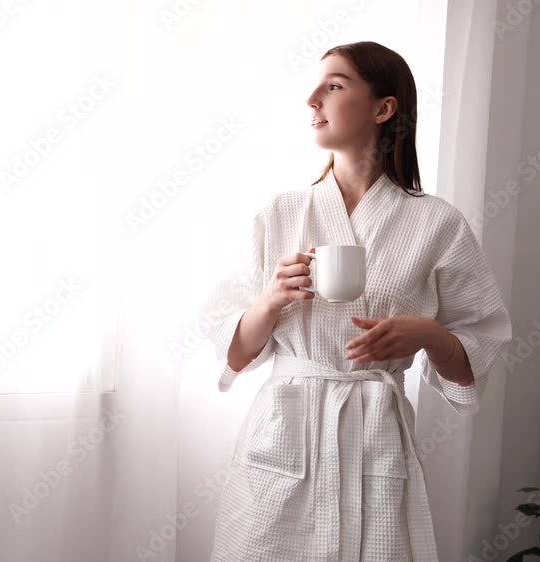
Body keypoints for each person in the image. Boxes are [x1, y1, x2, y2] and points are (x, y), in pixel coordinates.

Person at [203, 41, 513, 561]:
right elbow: (233, 355)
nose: (312, 99)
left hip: (376, 433)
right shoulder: (280, 213)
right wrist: (271, 300)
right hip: (283, 436)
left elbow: (477, 351)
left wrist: (429, 334)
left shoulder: (437, 223)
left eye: (334, 85)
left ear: (383, 108)